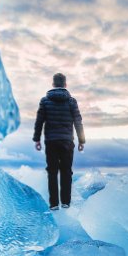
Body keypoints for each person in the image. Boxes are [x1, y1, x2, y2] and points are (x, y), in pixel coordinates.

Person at [33, 73, 85, 210]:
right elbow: (78, 121)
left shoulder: (45, 101)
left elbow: (40, 121)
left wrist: (37, 139)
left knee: (52, 172)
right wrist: (81, 140)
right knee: (66, 171)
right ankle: (66, 202)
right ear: (65, 84)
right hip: (67, 141)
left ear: (53, 84)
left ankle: (54, 204)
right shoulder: (71, 101)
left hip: (51, 141)